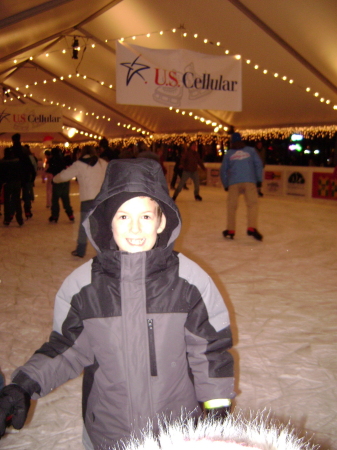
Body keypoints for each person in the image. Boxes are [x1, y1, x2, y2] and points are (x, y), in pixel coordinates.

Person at [0, 158, 235, 450]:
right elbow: (65, 348)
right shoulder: (83, 286)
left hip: (178, 433)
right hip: (109, 433)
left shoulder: (189, 281)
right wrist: (23, 386)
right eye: (123, 216)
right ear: (106, 221)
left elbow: (210, 350)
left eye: (146, 217)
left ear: (161, 221)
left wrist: (217, 407)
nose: (135, 228)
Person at [53, 145, 108, 258]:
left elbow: (64, 176)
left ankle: (80, 250)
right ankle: (106, 250)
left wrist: (54, 179)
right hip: (102, 198)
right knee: (103, 225)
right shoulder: (103, 163)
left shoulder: (79, 164)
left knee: (84, 225)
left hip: (88, 199)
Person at [220, 132, 263, 241]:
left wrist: (226, 184)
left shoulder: (229, 153)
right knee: (252, 204)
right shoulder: (251, 151)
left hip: (234, 182)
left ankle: (230, 230)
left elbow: (223, 170)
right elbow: (258, 164)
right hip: (249, 181)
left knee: (231, 206)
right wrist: (259, 180)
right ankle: (252, 227)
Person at [46, 147, 74, 223]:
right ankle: (70, 214)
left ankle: (55, 215)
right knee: (66, 198)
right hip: (66, 181)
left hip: (57, 181)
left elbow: (50, 171)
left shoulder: (53, 160)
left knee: (55, 199)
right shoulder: (65, 159)